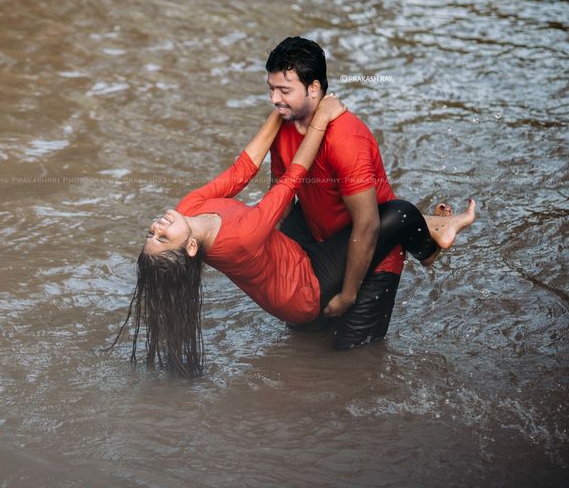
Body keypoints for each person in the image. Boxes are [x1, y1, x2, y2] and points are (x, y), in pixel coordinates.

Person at [106, 99, 476, 377]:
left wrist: (279, 108)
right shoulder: (239, 238)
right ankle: (430, 245)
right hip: (304, 292)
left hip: (289, 260)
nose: (158, 224)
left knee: (321, 208)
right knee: (399, 213)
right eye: (163, 236)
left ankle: (427, 227)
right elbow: (291, 179)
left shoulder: (188, 208)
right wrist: (322, 119)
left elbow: (243, 168)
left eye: (151, 232)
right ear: (189, 247)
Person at [265, 36, 460, 349]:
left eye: (284, 90)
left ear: (314, 88)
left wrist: (347, 295)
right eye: (271, 89)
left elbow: (367, 226)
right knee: (300, 339)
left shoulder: (346, 139)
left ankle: (427, 234)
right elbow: (281, 200)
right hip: (323, 245)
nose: (275, 99)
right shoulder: (282, 126)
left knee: (351, 357)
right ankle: (432, 227)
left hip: (372, 251)